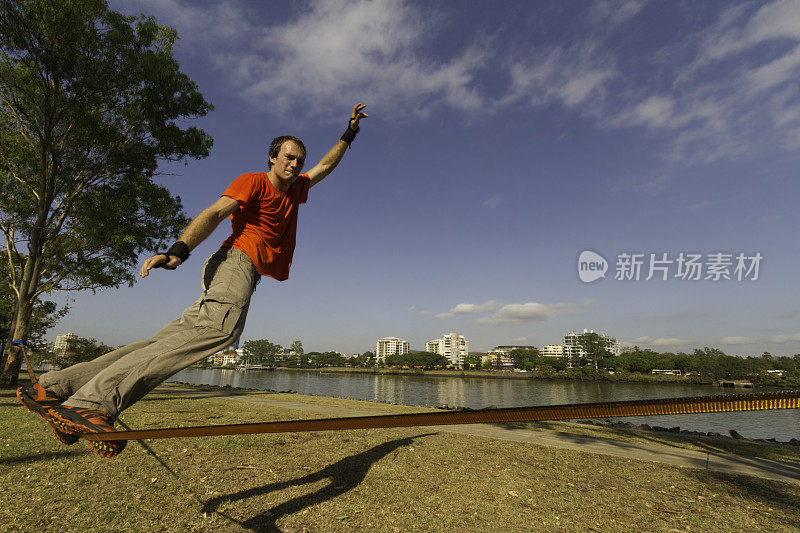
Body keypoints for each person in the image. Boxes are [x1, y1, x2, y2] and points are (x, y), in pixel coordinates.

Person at [17, 103, 368, 458]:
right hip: (235, 262)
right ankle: (91, 402)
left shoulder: (297, 189)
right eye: (289, 157)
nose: (295, 164)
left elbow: (326, 165)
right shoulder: (254, 182)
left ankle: (54, 387)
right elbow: (215, 212)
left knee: (163, 342)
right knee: (220, 332)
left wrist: (349, 132)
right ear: (273, 158)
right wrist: (179, 250)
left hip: (236, 270)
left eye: (299, 159)